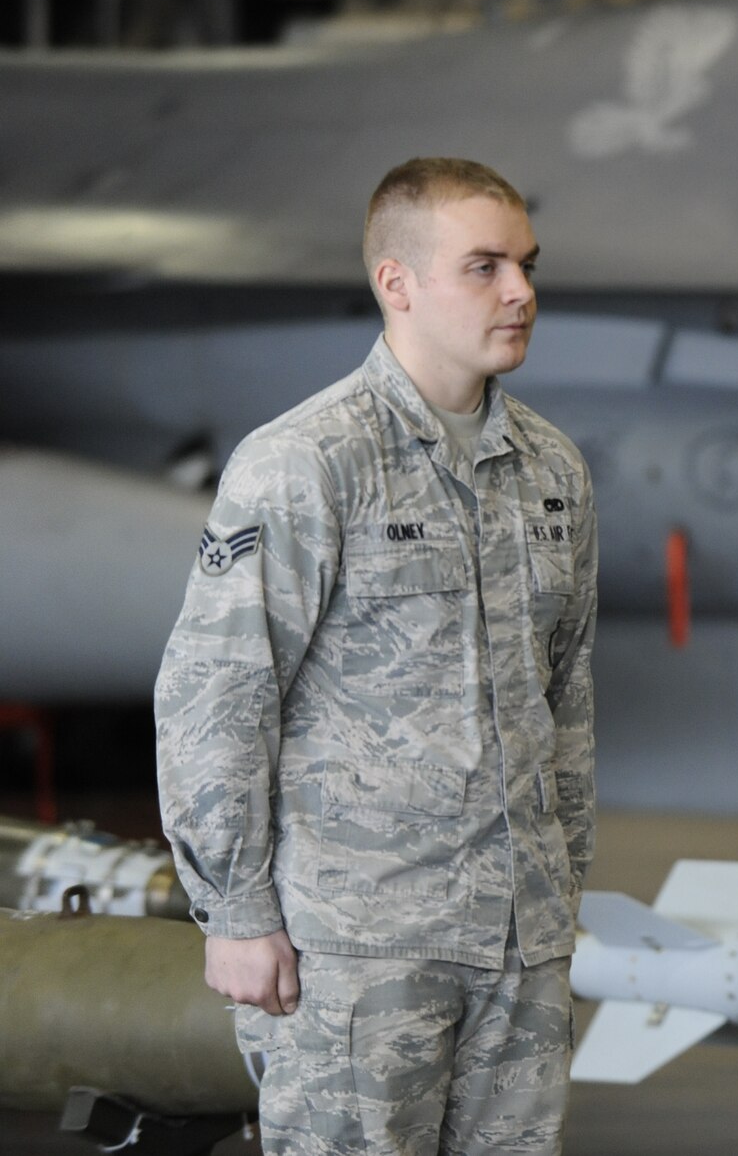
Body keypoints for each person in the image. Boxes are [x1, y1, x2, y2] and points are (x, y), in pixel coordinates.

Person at [154, 157, 597, 1155]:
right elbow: (218, 691)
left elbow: (562, 693)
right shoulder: (307, 460)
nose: (521, 292)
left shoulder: (552, 470)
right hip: (355, 947)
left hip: (519, 950)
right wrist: (234, 907)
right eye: (483, 266)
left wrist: (560, 891)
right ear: (396, 282)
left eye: (525, 265)